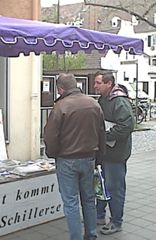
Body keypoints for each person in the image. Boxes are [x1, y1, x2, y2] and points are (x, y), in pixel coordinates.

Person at [43, 73, 106, 240]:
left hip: (67, 160)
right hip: (89, 158)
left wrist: (52, 154)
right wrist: (99, 159)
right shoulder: (94, 104)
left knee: (71, 202)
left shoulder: (60, 107)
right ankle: (91, 235)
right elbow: (101, 134)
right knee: (88, 199)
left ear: (60, 89)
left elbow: (50, 136)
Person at [94, 72, 134, 235]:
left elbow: (127, 126)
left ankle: (116, 221)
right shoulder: (103, 99)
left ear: (109, 83)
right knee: (101, 185)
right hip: (104, 152)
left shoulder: (119, 101)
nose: (95, 86)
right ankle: (99, 215)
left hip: (116, 154)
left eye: (98, 83)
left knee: (115, 188)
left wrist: (105, 136)